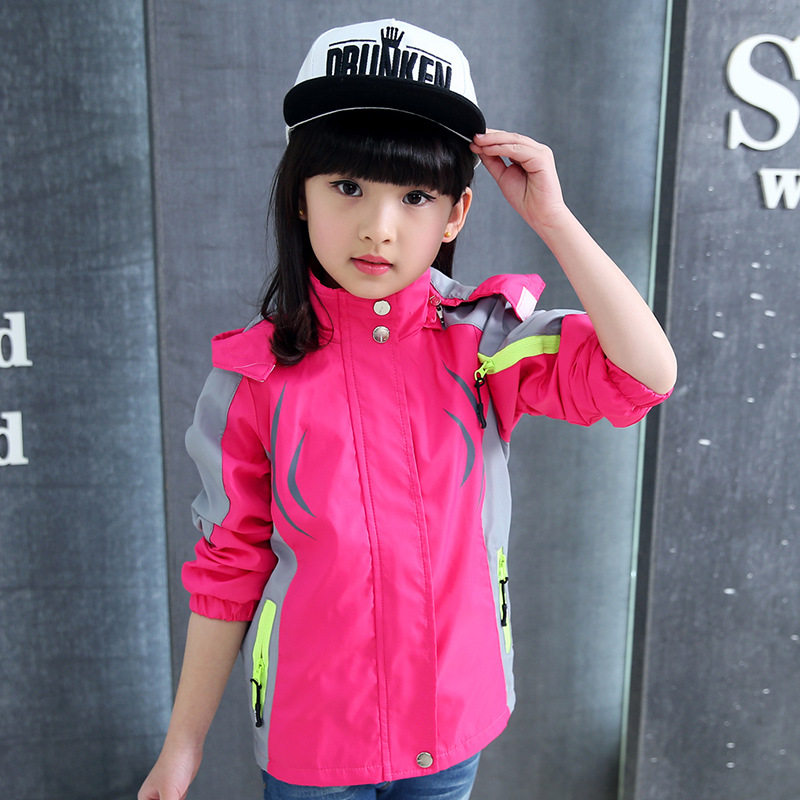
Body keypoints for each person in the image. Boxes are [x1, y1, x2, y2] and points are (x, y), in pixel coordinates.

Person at [138, 18, 676, 800]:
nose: (378, 228)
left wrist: (552, 221)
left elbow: (644, 376)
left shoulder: (485, 341)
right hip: (313, 740)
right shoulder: (254, 379)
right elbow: (228, 569)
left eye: (415, 196)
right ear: (299, 196)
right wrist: (181, 749)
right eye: (347, 186)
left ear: (455, 214)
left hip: (453, 725)